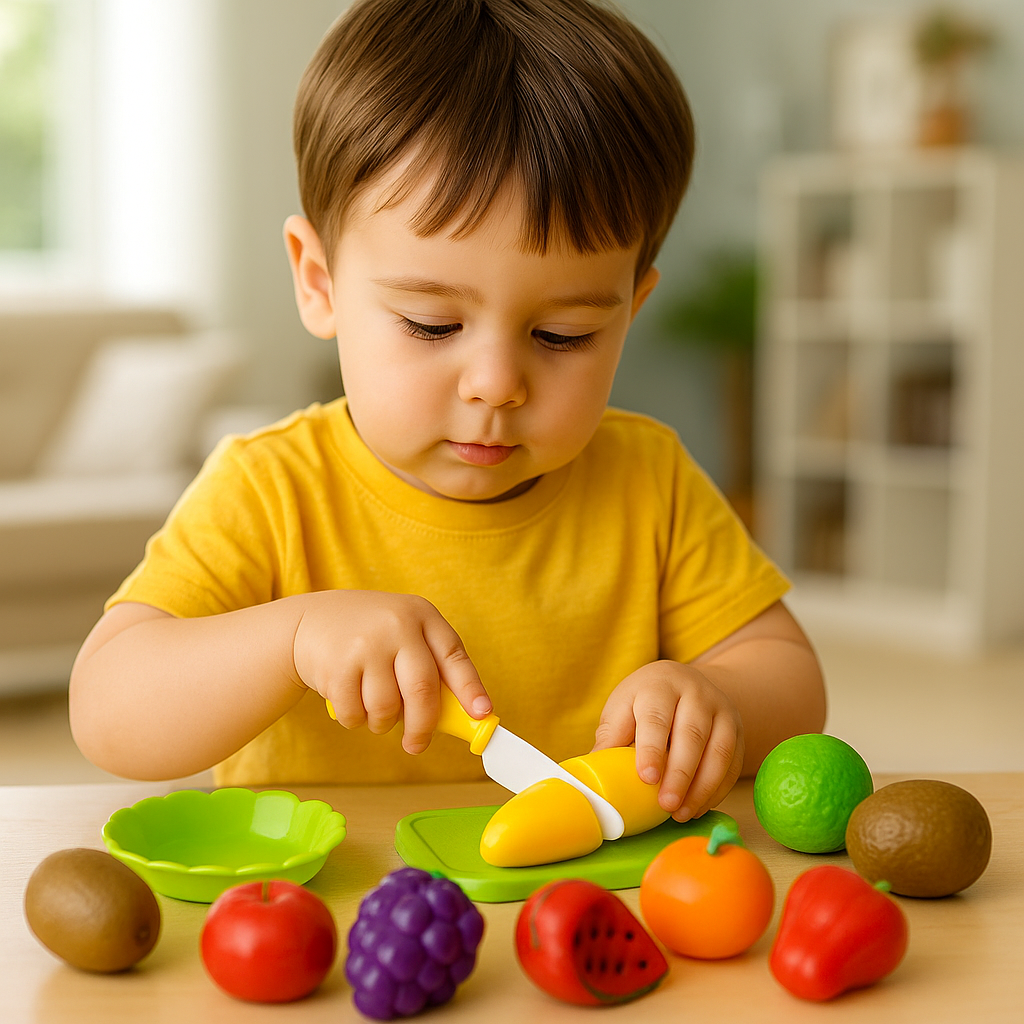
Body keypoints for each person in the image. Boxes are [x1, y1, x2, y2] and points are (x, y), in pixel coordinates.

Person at [69, 0, 825, 824]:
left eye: (563, 334)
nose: (496, 384)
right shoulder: (270, 490)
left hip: (582, 892)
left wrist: (717, 698)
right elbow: (108, 711)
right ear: (319, 283)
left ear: (630, 310)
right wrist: (291, 639)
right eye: (432, 325)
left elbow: (788, 677)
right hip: (325, 899)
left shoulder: (650, 480)